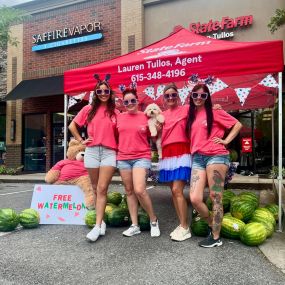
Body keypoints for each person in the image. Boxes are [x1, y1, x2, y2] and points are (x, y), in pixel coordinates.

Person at [186, 83, 242, 248]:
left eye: (203, 95)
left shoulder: (215, 111)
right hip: (198, 158)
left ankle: (216, 237)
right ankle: (212, 225)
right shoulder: (191, 114)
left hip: (216, 156)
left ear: (207, 97)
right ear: (191, 96)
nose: (198, 98)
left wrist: (226, 141)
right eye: (195, 95)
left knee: (215, 196)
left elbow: (237, 125)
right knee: (195, 198)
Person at [69, 78, 118, 242]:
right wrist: (81, 141)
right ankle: (101, 221)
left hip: (109, 152)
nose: (103, 94)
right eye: (100, 91)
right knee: (96, 188)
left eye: (106, 91)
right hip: (91, 151)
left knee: (103, 188)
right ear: (96, 94)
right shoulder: (88, 109)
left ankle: (97, 227)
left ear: (110, 93)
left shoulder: (115, 112)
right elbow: (72, 126)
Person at [116, 88, 160, 238]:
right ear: (123, 103)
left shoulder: (145, 116)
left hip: (141, 157)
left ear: (137, 101)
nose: (129, 103)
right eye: (126, 101)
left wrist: (158, 129)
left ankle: (153, 220)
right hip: (123, 158)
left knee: (140, 190)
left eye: (132, 100)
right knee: (129, 191)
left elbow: (154, 136)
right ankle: (134, 225)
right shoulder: (119, 117)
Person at [158, 83, 192, 242]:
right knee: (173, 191)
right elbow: (155, 136)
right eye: (167, 95)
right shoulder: (161, 115)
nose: (170, 97)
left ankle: (185, 227)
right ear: (163, 99)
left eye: (173, 95)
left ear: (178, 96)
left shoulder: (186, 109)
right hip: (167, 153)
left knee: (178, 190)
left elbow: (203, 112)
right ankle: (181, 224)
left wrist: (216, 107)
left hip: (182, 151)